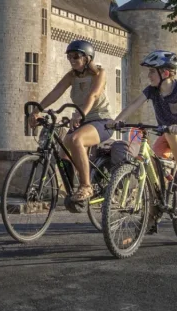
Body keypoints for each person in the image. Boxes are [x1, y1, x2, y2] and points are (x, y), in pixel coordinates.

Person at [29, 40, 114, 204]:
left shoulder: (99, 73)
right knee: (63, 155)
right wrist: (37, 109)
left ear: (88, 58)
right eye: (69, 57)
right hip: (82, 121)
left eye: (76, 56)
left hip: (101, 120)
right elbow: (56, 92)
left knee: (76, 139)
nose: (72, 60)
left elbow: (94, 95)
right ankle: (72, 195)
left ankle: (86, 186)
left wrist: (81, 113)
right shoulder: (71, 76)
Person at [114, 50, 177, 192]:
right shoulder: (152, 90)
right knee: (153, 163)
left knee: (173, 134)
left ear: (165, 73)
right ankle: (157, 201)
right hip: (166, 134)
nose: (149, 76)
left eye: (152, 72)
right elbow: (134, 104)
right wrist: (117, 120)